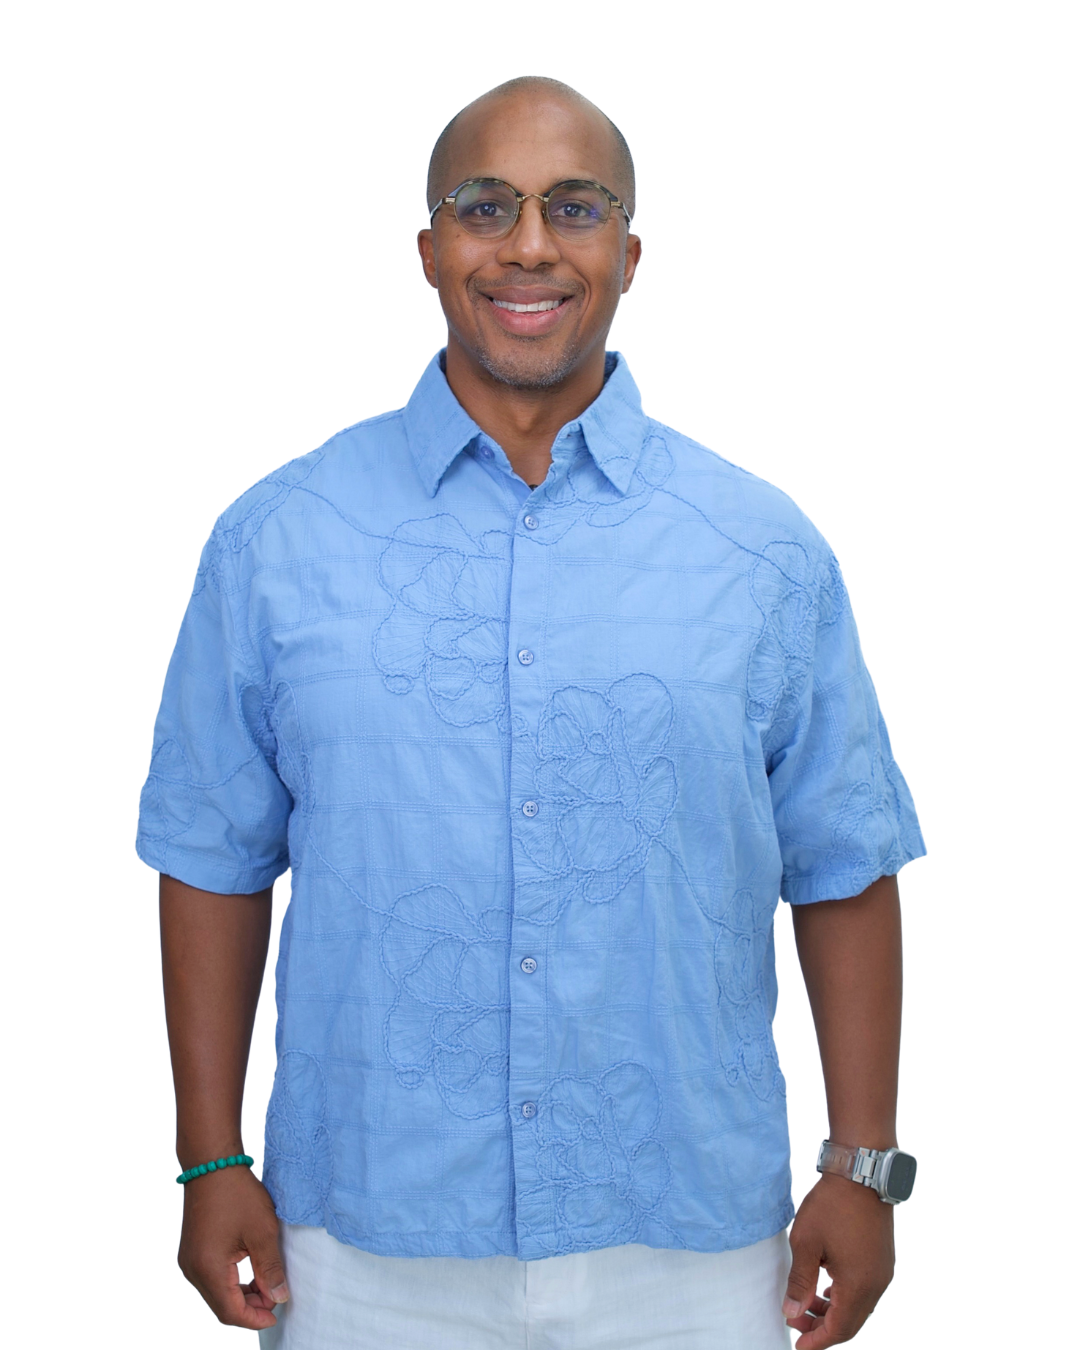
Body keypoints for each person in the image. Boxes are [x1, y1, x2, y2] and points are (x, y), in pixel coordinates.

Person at [139, 76, 925, 1350]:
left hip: (691, 1250)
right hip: (357, 1251)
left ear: (628, 251)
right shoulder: (279, 541)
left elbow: (841, 864)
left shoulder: (761, 551)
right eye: (483, 206)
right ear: (430, 249)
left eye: (574, 207)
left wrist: (864, 1163)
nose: (528, 245)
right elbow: (212, 860)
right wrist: (205, 1160)